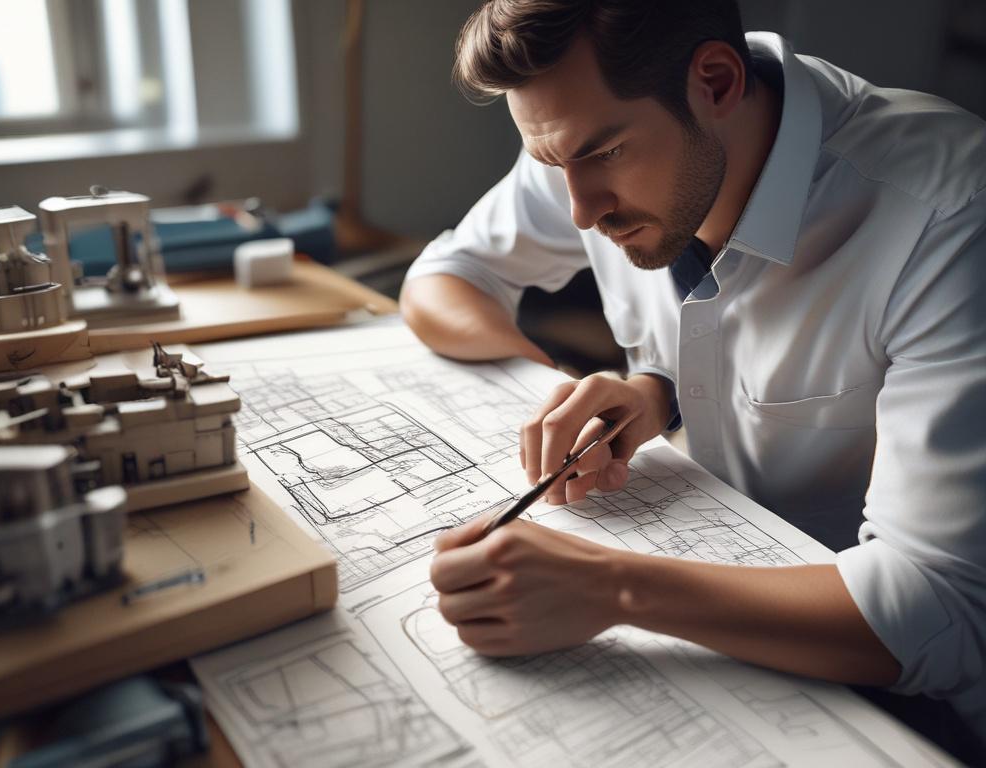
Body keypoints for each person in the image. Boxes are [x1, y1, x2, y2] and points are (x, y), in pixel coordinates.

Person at [400, 0, 986, 751]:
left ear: (714, 81)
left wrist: (610, 588)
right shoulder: (581, 131)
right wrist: (620, 388)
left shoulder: (949, 216)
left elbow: (938, 613)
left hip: (904, 710)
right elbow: (444, 277)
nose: (580, 211)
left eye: (603, 154)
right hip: (721, 616)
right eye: (554, 164)